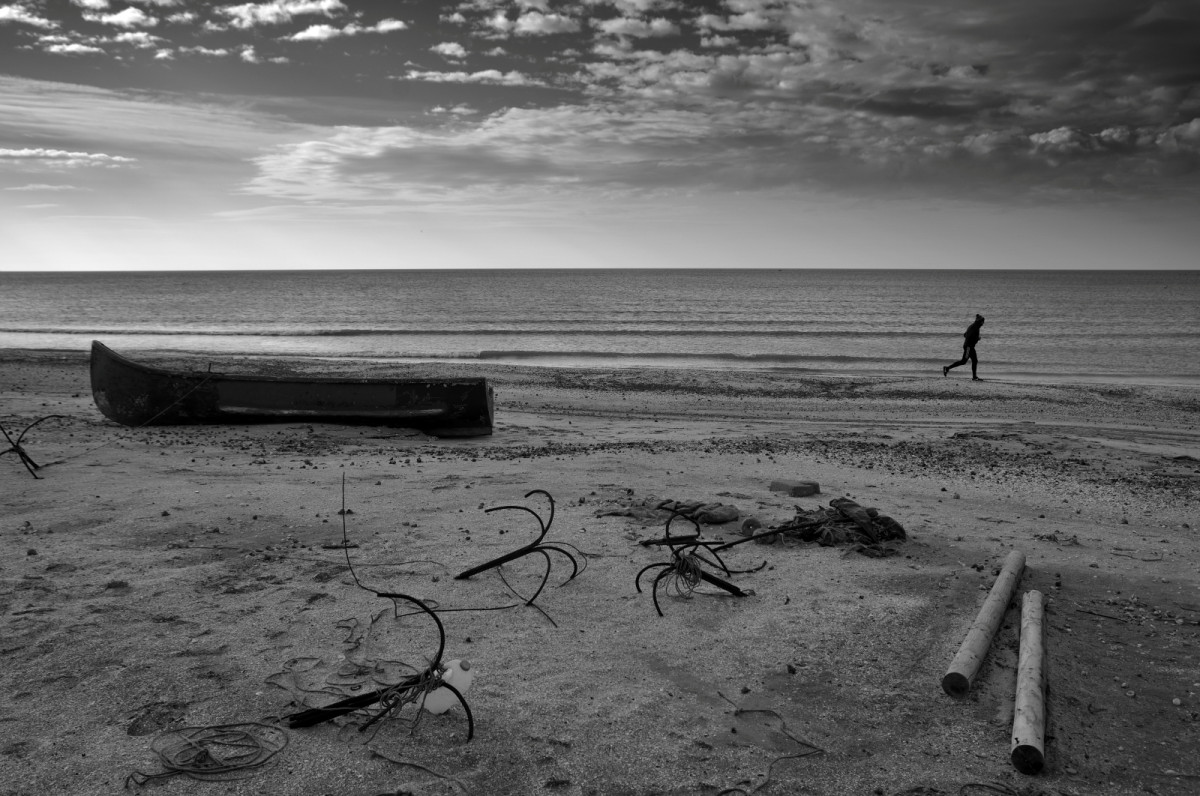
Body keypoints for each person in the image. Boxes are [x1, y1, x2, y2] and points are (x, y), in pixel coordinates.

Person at [944, 314, 984, 380]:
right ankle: (974, 376)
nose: (983, 323)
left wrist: (975, 338)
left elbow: (965, 335)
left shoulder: (973, 326)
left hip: (969, 346)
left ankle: (948, 368)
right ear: (979, 321)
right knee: (968, 361)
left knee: (969, 361)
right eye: (982, 322)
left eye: (983, 322)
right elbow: (968, 336)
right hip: (969, 347)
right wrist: (977, 338)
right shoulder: (975, 327)